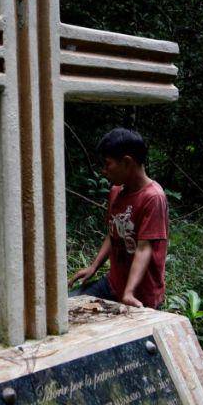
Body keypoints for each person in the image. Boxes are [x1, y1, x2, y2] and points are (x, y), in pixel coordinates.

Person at [70, 128, 169, 309]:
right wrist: (93, 267)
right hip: (113, 285)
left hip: (141, 295)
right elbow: (113, 233)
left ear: (126, 162)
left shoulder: (153, 197)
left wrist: (129, 292)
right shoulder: (116, 191)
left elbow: (144, 248)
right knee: (67, 305)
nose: (104, 170)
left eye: (108, 164)